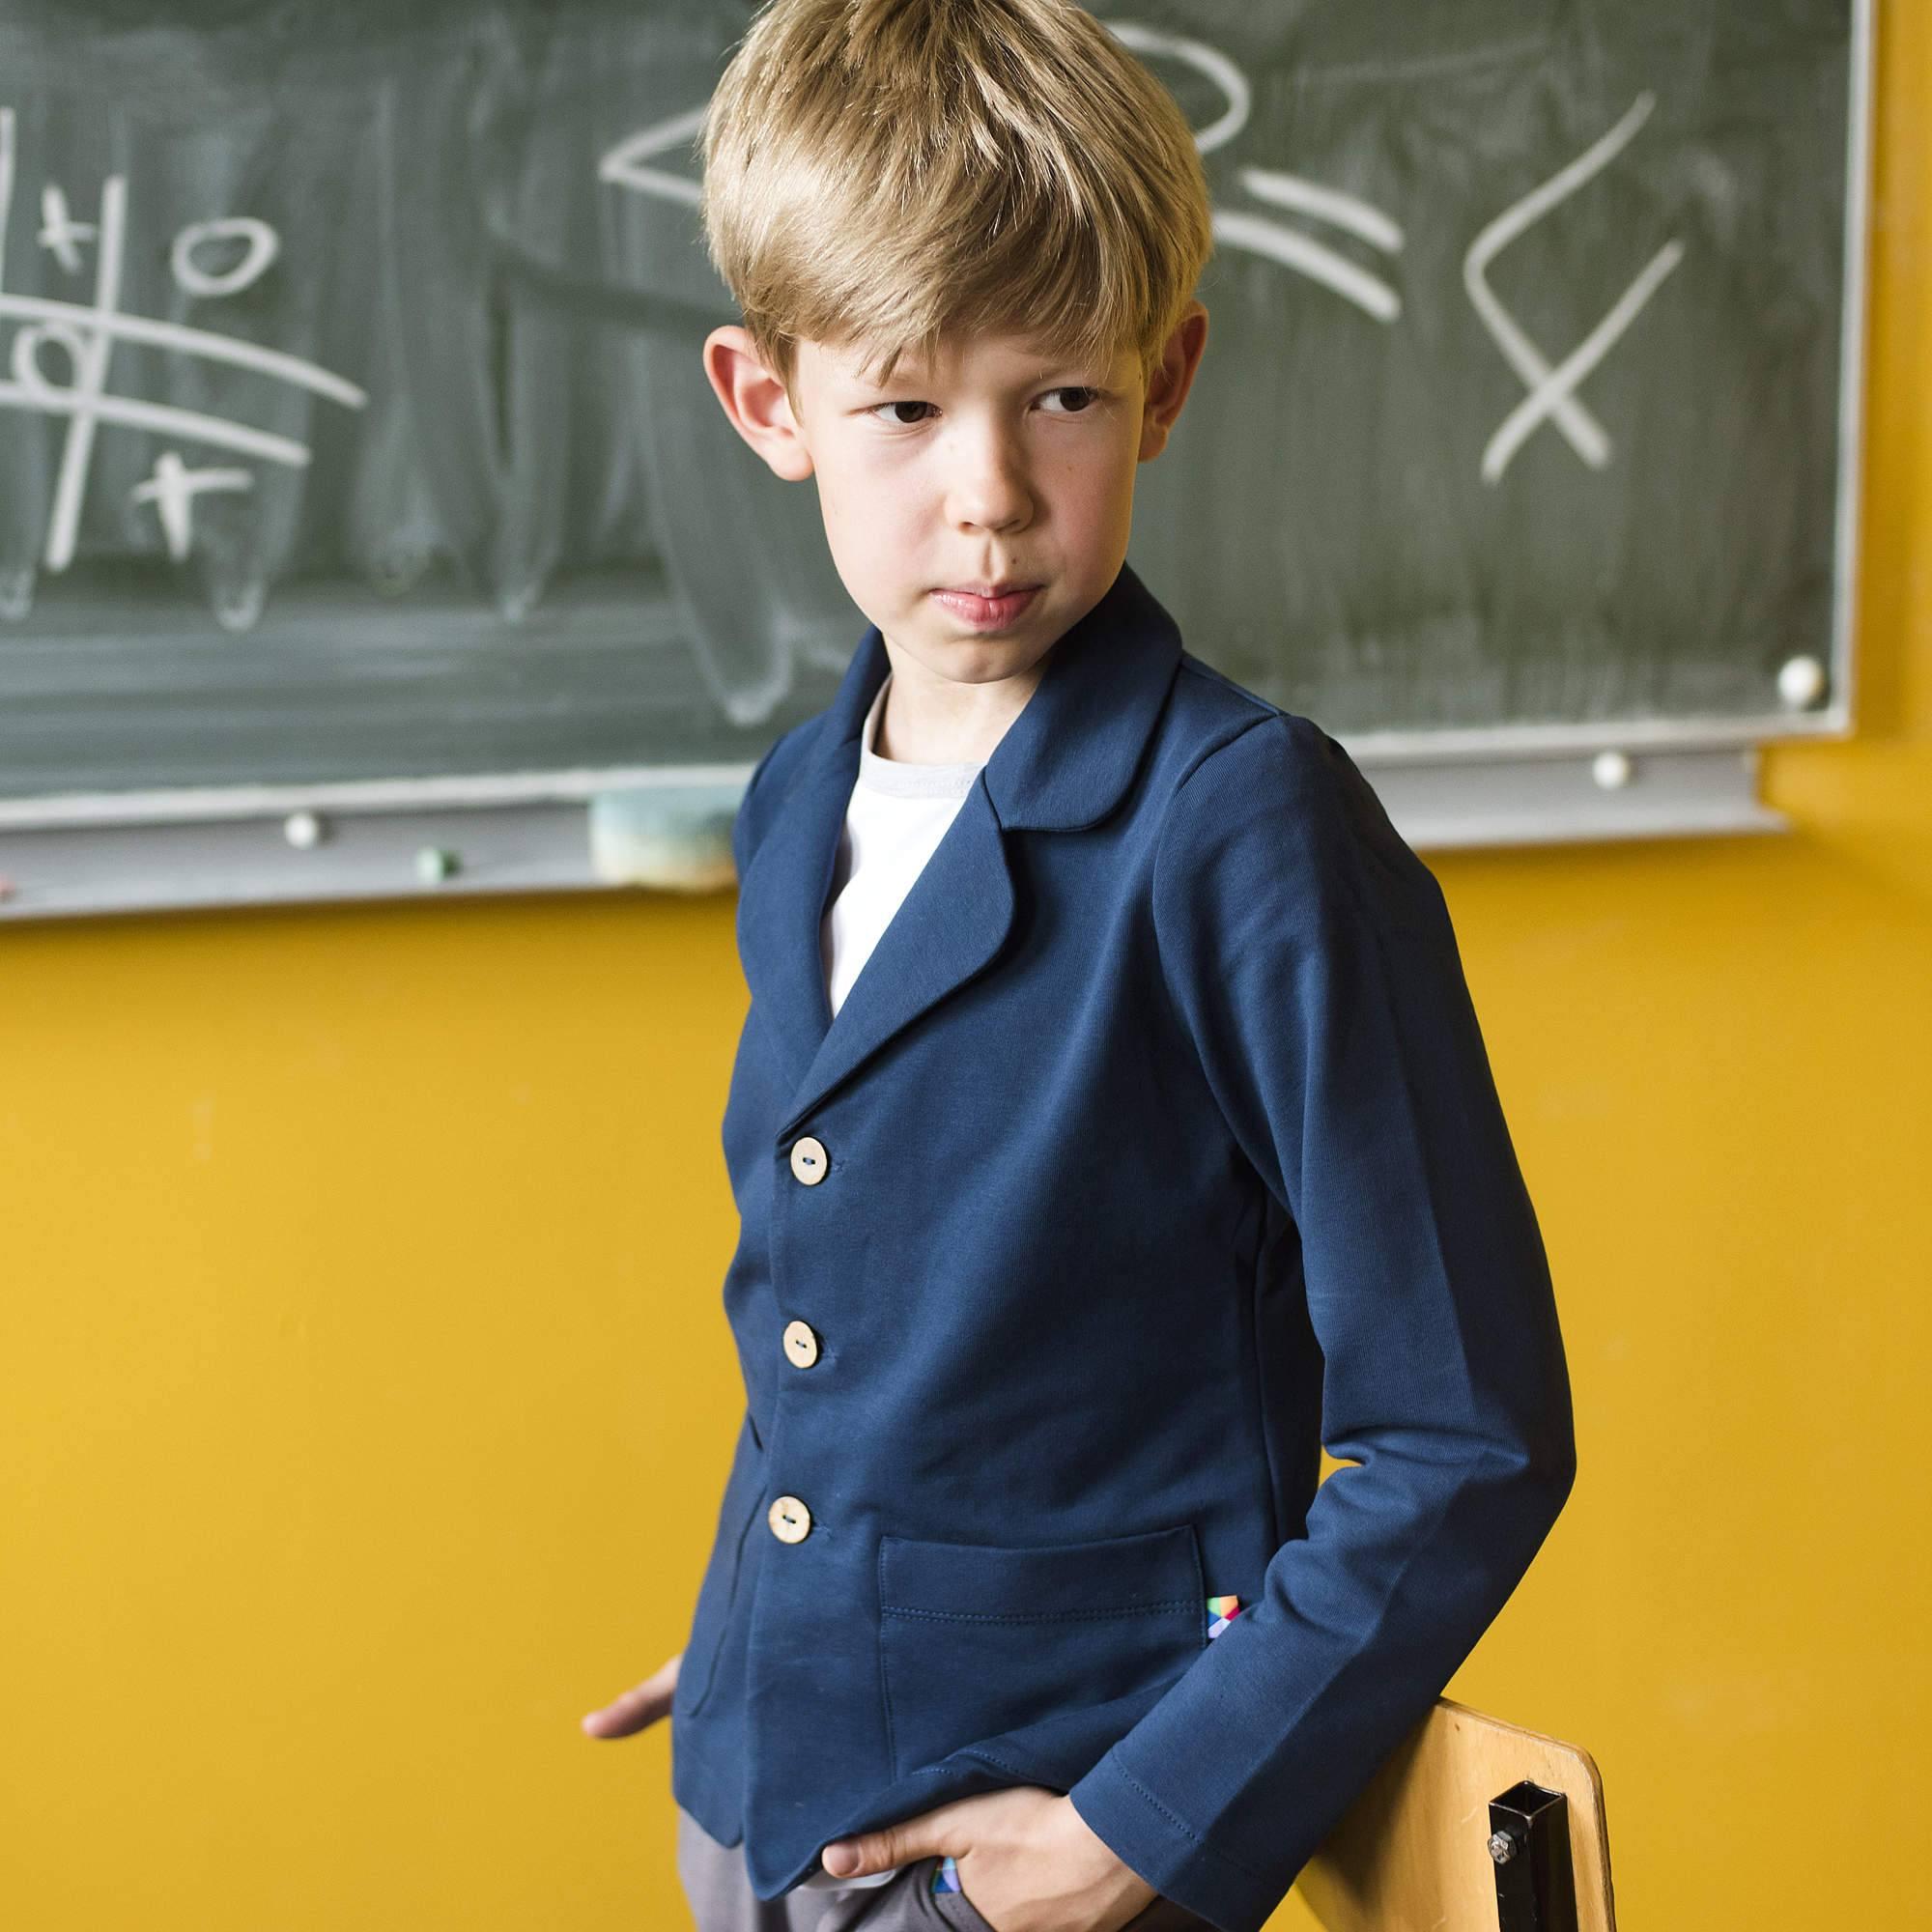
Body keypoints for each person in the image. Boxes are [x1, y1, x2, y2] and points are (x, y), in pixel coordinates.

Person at [582, 2, 1577, 1929]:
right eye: (902, 407)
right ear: (765, 399)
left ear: (1167, 376)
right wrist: (770, 1625)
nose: (990, 492)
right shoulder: (801, 794)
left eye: (1060, 397)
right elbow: (846, 1304)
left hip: (1034, 1844)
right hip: (764, 1781)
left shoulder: (1243, 823)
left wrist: (1141, 1836)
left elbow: (1464, 1435)